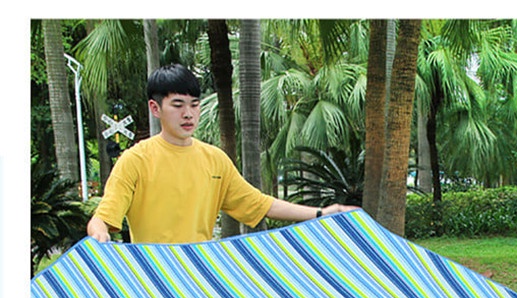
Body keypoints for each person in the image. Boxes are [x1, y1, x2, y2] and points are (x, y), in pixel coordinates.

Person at [86, 64, 356, 244]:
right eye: (177, 105)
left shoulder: (215, 160)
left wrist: (323, 212)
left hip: (202, 279)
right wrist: (98, 234)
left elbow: (260, 204)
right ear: (155, 108)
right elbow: (103, 218)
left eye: (194, 104)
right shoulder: (135, 160)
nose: (188, 114)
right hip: (151, 282)